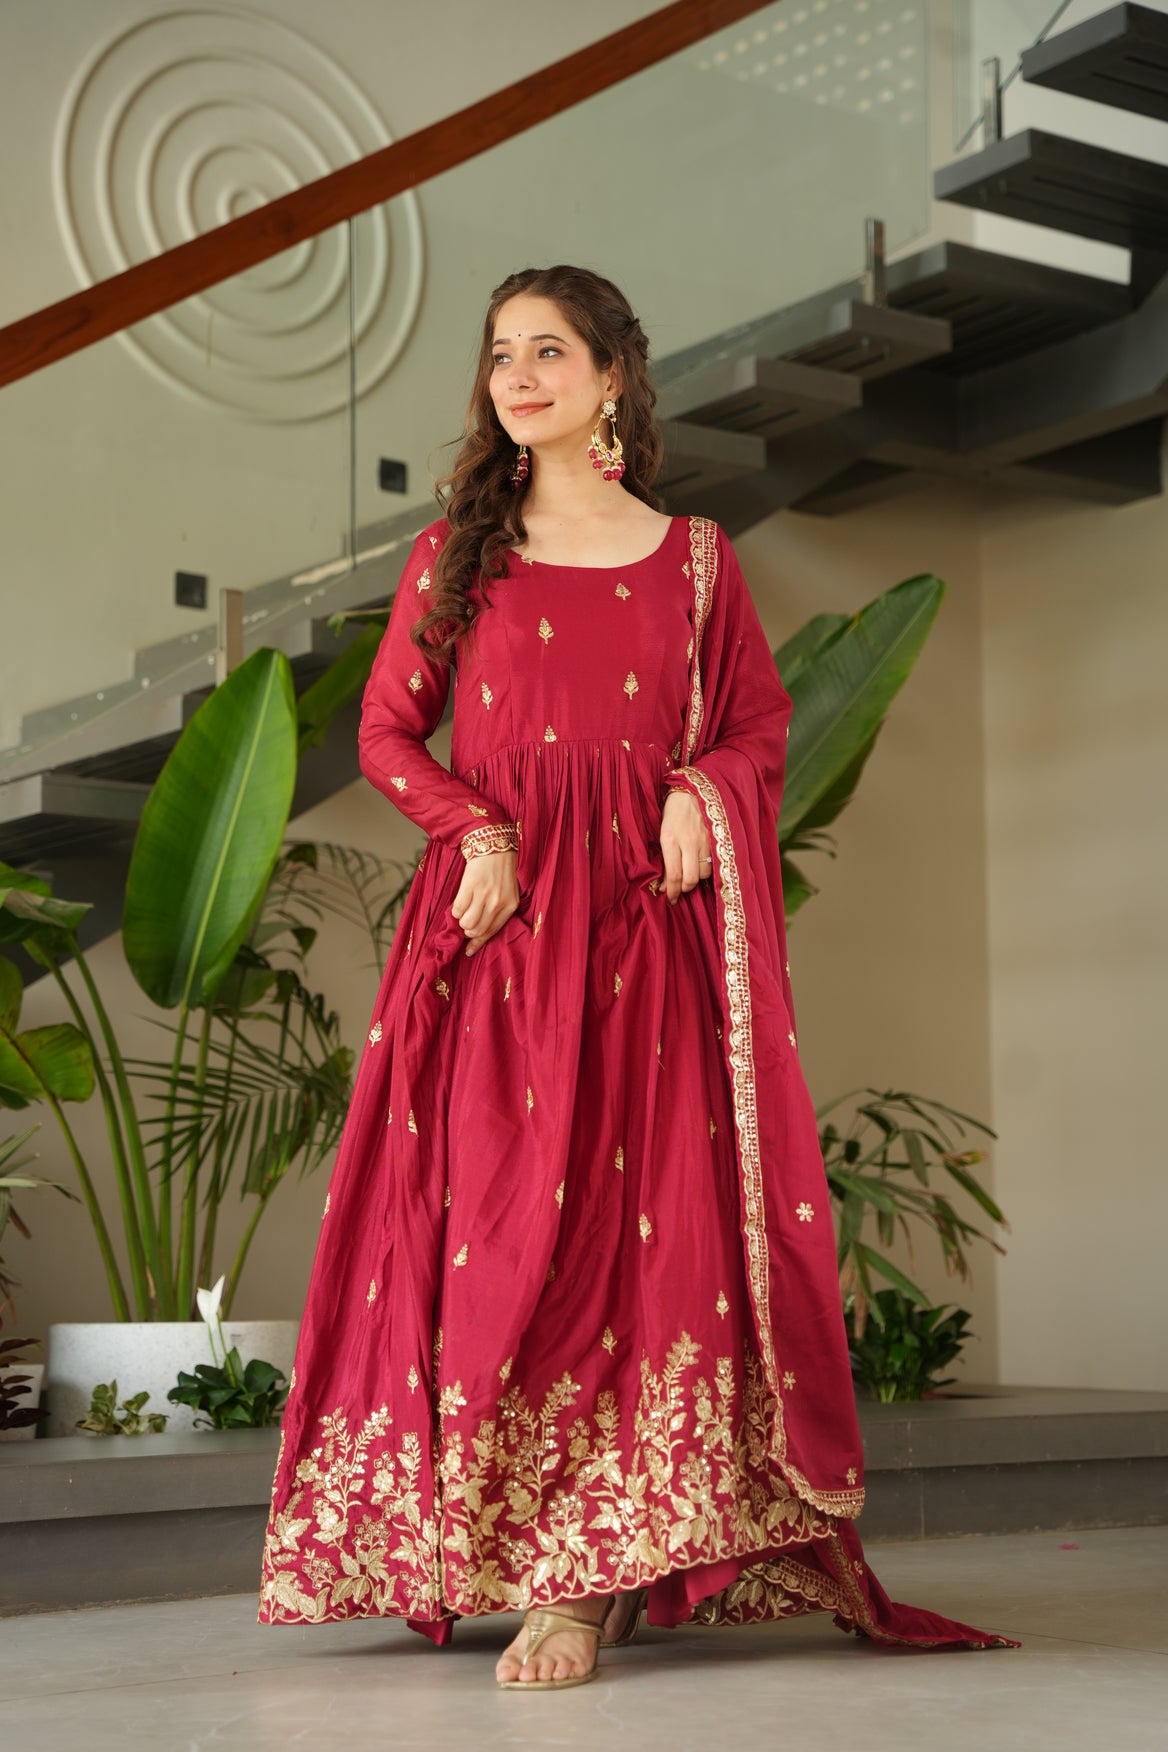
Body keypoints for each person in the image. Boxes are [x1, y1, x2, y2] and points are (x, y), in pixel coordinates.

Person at [257, 264, 1019, 1690]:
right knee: (499, 1242)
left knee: (638, 1251)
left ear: (614, 378)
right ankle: (489, 1545)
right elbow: (384, 736)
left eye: (550, 351)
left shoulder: (698, 563)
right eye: (499, 355)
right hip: (496, 945)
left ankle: (585, 1581)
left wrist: (702, 791)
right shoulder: (455, 559)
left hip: (646, 950)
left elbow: (756, 726)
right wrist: (469, 826)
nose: (518, 375)